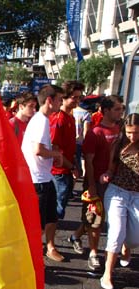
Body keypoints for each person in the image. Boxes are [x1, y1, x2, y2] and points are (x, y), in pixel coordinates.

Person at [69, 95, 124, 270]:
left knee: (105, 218)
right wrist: (91, 185)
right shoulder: (95, 133)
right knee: (95, 219)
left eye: (121, 109)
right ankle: (93, 253)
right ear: (106, 111)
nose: (121, 112)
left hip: (115, 182)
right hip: (97, 183)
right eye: (117, 109)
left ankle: (75, 236)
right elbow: (89, 162)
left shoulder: (121, 128)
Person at [21, 84, 64, 262]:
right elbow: (38, 150)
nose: (61, 104)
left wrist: (52, 150)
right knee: (37, 224)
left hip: (42, 178)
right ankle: (30, 258)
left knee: (50, 217)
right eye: (59, 100)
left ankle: (45, 251)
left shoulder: (40, 120)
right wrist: (56, 154)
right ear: (49, 100)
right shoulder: (42, 121)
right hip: (38, 180)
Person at [99, 113, 139, 289]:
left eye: (137, 133)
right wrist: (106, 174)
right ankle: (107, 273)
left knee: (134, 238)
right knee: (115, 232)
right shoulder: (118, 144)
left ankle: (126, 246)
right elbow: (111, 168)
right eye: (130, 132)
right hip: (117, 192)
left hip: (136, 195)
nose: (133, 136)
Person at [50, 81, 84, 221]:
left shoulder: (70, 117)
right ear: (64, 98)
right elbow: (54, 148)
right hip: (58, 172)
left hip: (66, 170)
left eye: (79, 97)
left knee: (60, 208)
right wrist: (72, 167)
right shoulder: (58, 119)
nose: (77, 101)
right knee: (56, 210)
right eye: (74, 97)